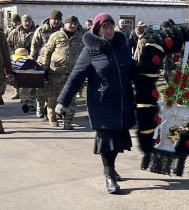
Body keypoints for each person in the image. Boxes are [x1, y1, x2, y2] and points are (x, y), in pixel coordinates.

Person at [56, 13, 135, 194]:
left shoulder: (121, 46)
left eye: (111, 26)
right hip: (101, 102)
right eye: (104, 27)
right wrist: (62, 101)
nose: (109, 30)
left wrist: (149, 67)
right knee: (106, 138)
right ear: (98, 30)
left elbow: (131, 67)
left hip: (122, 100)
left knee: (117, 137)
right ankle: (109, 176)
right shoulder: (90, 50)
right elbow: (76, 76)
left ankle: (111, 167)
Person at [41, 15, 85, 129]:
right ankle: (52, 117)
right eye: (70, 23)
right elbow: (47, 52)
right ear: (64, 24)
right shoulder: (55, 36)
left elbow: (85, 54)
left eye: (75, 24)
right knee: (53, 96)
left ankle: (68, 121)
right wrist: (44, 69)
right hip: (56, 72)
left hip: (73, 73)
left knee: (71, 98)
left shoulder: (81, 37)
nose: (73, 25)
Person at [31, 10, 63, 119]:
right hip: (42, 62)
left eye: (58, 20)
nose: (56, 22)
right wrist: (32, 62)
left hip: (57, 64)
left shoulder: (63, 31)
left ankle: (50, 108)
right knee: (41, 87)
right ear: (50, 19)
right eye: (54, 19)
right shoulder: (41, 30)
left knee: (55, 88)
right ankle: (40, 107)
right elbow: (34, 47)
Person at [7, 14, 36, 100]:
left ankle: (31, 97)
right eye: (25, 21)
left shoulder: (36, 31)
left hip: (31, 59)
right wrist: (14, 55)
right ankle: (19, 93)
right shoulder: (15, 32)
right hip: (18, 59)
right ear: (22, 22)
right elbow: (8, 45)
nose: (27, 23)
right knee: (16, 78)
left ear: (31, 22)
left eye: (29, 21)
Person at [11, 48, 41, 114]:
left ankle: (25, 103)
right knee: (32, 92)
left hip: (21, 80)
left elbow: (12, 69)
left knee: (23, 92)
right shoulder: (31, 61)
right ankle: (32, 104)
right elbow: (38, 68)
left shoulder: (15, 61)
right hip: (32, 78)